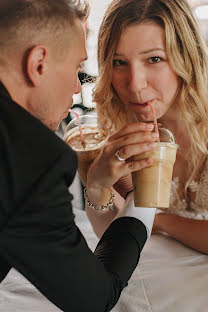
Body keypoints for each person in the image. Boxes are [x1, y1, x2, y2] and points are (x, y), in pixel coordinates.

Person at [0, 1, 156, 311]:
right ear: (38, 64)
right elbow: (94, 298)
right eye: (76, 67)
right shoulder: (30, 159)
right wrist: (144, 198)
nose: (75, 88)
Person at [83, 0, 208, 254]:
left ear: (186, 57)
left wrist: (159, 221)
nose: (135, 84)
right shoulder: (117, 130)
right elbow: (110, 233)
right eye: (119, 62)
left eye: (154, 58)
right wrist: (96, 187)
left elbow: (138, 223)